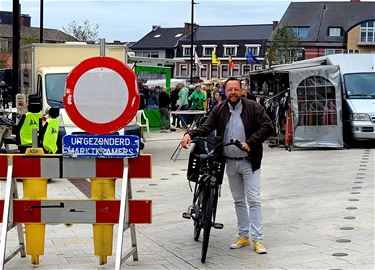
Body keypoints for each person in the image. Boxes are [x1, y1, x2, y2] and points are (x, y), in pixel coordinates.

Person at [181, 77, 273, 254]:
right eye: (229, 90)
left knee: (253, 200)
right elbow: (206, 127)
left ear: (242, 90)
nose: (233, 93)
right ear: (224, 91)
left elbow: (268, 126)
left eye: (236, 89)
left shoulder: (253, 107)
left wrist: (251, 142)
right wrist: (190, 134)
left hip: (249, 162)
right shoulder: (220, 109)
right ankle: (243, 235)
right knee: (239, 201)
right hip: (230, 162)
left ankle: (258, 239)